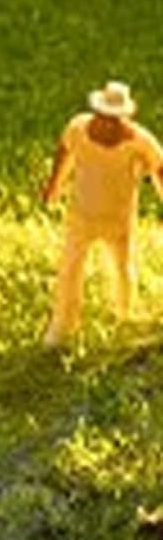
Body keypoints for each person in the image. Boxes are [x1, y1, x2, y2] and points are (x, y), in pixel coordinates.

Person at [41, 80, 163, 346]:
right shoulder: (78, 129)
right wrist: (54, 186)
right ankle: (62, 325)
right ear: (96, 112)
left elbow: (159, 168)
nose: (108, 123)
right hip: (81, 217)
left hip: (118, 220)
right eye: (103, 116)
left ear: (125, 118)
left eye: (114, 119)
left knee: (123, 268)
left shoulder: (139, 141)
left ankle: (124, 315)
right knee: (70, 270)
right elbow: (64, 152)